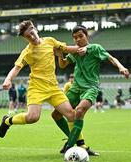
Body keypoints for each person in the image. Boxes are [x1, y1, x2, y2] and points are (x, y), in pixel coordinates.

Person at [0, 20, 87, 139]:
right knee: (33, 117)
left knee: (71, 114)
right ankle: (8, 121)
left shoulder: (50, 41)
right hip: (37, 88)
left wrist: (83, 48)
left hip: (53, 87)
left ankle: (81, 146)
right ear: (25, 38)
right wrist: (8, 79)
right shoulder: (28, 52)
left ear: (35, 29)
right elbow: (16, 68)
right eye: (28, 36)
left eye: (31, 32)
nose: (31, 36)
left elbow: (65, 49)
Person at [51, 25, 130, 153]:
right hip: (75, 88)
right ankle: (74, 139)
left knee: (79, 111)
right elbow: (63, 64)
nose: (77, 40)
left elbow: (111, 58)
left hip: (90, 87)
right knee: (56, 114)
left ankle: (69, 147)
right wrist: (60, 55)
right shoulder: (75, 51)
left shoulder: (95, 48)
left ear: (87, 36)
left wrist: (121, 67)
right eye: (75, 38)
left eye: (80, 36)